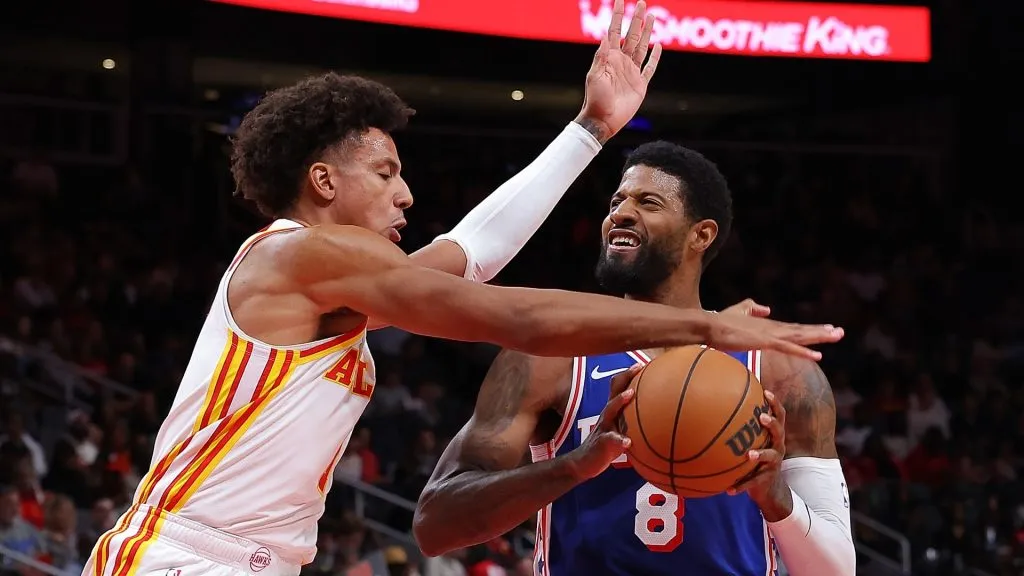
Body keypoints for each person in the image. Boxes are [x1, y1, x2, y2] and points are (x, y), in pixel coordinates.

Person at [85, 3, 843, 575]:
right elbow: (502, 312)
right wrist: (703, 330)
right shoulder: (300, 258)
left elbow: (475, 254)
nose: (406, 195)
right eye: (385, 173)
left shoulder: (342, 282)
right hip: (182, 554)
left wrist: (589, 130)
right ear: (322, 181)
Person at [414, 141, 855, 575]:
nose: (620, 213)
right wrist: (572, 466)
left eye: (648, 202)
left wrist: (780, 503)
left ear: (701, 234)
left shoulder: (780, 370)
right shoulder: (551, 357)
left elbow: (837, 570)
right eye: (616, 201)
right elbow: (434, 526)